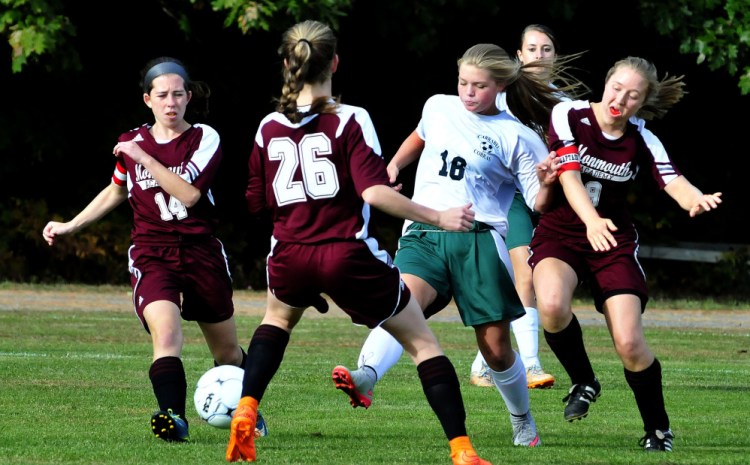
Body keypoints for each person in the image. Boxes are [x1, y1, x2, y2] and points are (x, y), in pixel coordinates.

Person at [225, 20, 491, 465]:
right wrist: (438, 215)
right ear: (335, 62)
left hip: (290, 253)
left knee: (275, 322)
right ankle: (462, 451)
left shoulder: (268, 125)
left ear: (288, 63)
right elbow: (373, 192)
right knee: (424, 344)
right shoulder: (350, 118)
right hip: (346, 253)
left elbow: (255, 201)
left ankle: (247, 409)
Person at [331, 43, 582, 448]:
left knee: (496, 348)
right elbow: (419, 136)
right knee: (401, 302)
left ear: (500, 86)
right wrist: (394, 165)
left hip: (479, 239)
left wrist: (549, 183)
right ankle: (366, 376)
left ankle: (523, 420)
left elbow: (538, 203)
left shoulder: (516, 135)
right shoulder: (439, 106)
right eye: (463, 82)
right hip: (425, 232)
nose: (467, 91)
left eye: (479, 86)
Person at [42, 57, 267, 442]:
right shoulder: (133, 139)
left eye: (178, 94)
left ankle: (247, 408)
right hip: (152, 252)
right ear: (148, 99)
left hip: (201, 252)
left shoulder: (203, 138)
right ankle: (172, 418)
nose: (170, 102)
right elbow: (116, 189)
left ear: (188, 96)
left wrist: (143, 156)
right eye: (162, 95)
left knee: (228, 352)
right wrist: (70, 225)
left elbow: (191, 194)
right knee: (166, 335)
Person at [528, 56, 723, 452]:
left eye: (633, 95)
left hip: (613, 243)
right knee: (550, 305)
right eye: (617, 88)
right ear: (606, 83)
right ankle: (584, 380)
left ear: (643, 102)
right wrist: (590, 221)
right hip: (563, 234)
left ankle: (658, 430)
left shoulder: (643, 139)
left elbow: (672, 178)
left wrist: (694, 198)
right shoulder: (570, 115)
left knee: (630, 343)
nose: (621, 99)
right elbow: (567, 175)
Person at [470, 23, 563, 390]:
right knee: (524, 275)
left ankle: (481, 366)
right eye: (532, 48)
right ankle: (530, 365)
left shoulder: (562, 102)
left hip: (542, 197)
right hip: (506, 196)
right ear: (519, 56)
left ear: (555, 57)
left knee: (516, 281)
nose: (539, 55)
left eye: (546, 49)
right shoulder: (504, 97)